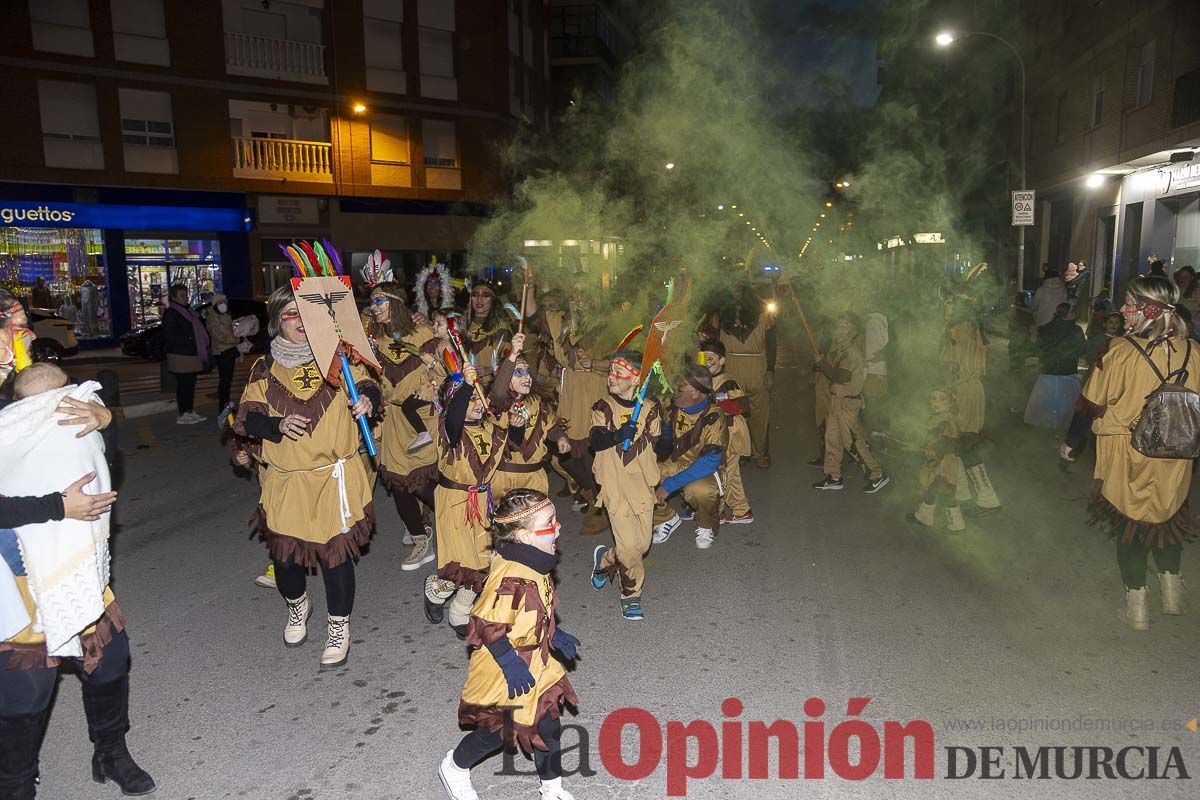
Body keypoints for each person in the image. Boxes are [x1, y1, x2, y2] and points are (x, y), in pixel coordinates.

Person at [0, 364, 155, 798]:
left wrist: (105, 421)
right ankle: (14, 782)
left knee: (109, 659)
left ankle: (110, 753)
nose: (20, 336)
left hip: (77, 565)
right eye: (9, 326)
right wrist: (58, 507)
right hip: (16, 578)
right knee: (25, 690)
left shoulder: (48, 392)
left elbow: (103, 453)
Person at [233, 285, 380, 668]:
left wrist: (368, 401)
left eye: (304, 314)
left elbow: (368, 386)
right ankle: (298, 606)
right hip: (286, 480)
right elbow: (246, 419)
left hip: (334, 477)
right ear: (276, 322)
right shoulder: (264, 368)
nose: (298, 323)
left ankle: (338, 626)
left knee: (336, 558)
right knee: (286, 563)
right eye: (289, 315)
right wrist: (276, 423)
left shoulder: (340, 357)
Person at [1062, 275, 1195, 630]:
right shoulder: (1195, 351)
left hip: (1127, 453)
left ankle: (1137, 606)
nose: (1122, 310)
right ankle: (1172, 593)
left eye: (1130, 303)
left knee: (1132, 525)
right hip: (1176, 453)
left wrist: (1072, 443)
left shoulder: (1119, 351)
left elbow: (1090, 404)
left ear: (1149, 310)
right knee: (1166, 518)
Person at [437, 488, 579, 800]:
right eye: (551, 522)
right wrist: (511, 663)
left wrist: (554, 634)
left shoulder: (537, 563)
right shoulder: (509, 579)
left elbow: (537, 610)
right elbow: (487, 625)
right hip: (504, 666)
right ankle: (455, 767)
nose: (559, 527)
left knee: (548, 724)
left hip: (535, 661)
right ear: (526, 536)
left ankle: (551, 789)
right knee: (495, 733)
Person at [423, 361, 523, 637]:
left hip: (482, 502)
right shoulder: (447, 427)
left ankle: (459, 612)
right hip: (455, 502)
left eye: (480, 397)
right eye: (471, 399)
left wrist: (517, 427)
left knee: (481, 560)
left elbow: (510, 445)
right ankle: (436, 589)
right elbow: (454, 418)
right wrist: (467, 385)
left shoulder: (489, 428)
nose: (478, 403)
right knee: (459, 563)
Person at [367, 281, 442, 571]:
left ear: (395, 304)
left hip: (422, 417)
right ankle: (420, 538)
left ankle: (462, 517)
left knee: (422, 482)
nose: (374, 308)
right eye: (372, 303)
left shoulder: (423, 332)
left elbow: (445, 369)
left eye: (379, 302)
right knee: (397, 483)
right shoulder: (372, 337)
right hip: (392, 418)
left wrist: (430, 385)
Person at [587, 350, 664, 621]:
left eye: (619, 374)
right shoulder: (603, 407)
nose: (611, 377)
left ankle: (606, 560)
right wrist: (618, 435)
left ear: (635, 380)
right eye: (610, 372)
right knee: (630, 546)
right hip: (615, 485)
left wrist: (665, 431)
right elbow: (595, 442)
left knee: (641, 545)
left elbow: (662, 448)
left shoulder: (651, 408)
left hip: (642, 486)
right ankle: (630, 595)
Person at [650, 364, 729, 549]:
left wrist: (669, 485)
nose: (677, 387)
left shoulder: (714, 417)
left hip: (706, 469)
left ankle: (705, 525)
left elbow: (709, 462)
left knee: (699, 491)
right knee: (642, 475)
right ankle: (666, 518)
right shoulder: (675, 405)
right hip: (677, 463)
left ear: (694, 393)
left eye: (682, 385)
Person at [812, 315, 890, 493]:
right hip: (836, 401)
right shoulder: (842, 351)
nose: (840, 332)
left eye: (845, 328)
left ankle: (877, 474)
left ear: (853, 332)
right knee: (832, 439)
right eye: (838, 328)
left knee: (852, 443)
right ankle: (833, 476)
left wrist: (822, 364)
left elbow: (841, 376)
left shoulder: (852, 353)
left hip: (846, 404)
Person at [490, 333, 571, 497]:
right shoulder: (496, 404)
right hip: (505, 480)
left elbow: (551, 426)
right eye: (518, 373)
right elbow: (498, 390)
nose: (526, 376)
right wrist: (513, 354)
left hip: (535, 477)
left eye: (527, 372)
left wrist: (561, 437)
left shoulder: (537, 402)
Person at [943, 292, 1001, 514]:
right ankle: (962, 492)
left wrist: (946, 393)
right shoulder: (971, 327)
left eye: (949, 305)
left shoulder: (957, 330)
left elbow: (952, 367)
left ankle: (988, 497)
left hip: (963, 391)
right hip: (973, 389)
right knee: (956, 441)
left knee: (964, 443)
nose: (945, 309)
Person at [713, 283, 776, 468]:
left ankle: (760, 453)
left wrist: (771, 369)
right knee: (731, 413)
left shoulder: (764, 315)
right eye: (733, 290)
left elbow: (772, 343)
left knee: (760, 415)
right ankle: (737, 452)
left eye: (739, 290)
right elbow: (714, 345)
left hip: (757, 369)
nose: (736, 294)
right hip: (731, 370)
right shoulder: (720, 317)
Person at [698, 341, 753, 525]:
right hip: (717, 435)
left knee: (725, 474)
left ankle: (730, 511)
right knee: (727, 474)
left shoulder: (728, 383)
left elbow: (743, 405)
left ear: (722, 361)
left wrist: (716, 403)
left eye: (711, 358)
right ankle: (732, 511)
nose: (707, 362)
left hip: (731, 434)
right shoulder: (703, 382)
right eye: (703, 358)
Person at [907, 387, 965, 533]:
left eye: (942, 398)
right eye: (933, 398)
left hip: (945, 461)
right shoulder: (937, 417)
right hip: (938, 460)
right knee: (933, 488)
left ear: (951, 402)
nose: (936, 402)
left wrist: (935, 450)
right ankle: (925, 517)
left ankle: (957, 525)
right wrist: (924, 446)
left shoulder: (947, 419)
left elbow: (949, 440)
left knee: (945, 490)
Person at [1024, 302, 1086, 430]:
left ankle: (1043, 433)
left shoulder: (1045, 328)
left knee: (1044, 407)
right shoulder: (1076, 330)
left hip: (1047, 373)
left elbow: (1037, 348)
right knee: (1065, 408)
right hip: (1067, 373)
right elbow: (1082, 350)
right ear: (1070, 315)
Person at [162, 283, 210, 425]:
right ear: (174, 297)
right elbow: (169, 335)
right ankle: (183, 413)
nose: (185, 297)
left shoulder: (188, 311)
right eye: (182, 295)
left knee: (190, 384)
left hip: (191, 354)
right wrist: (189, 340)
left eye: (186, 294)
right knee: (184, 385)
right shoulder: (172, 312)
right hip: (181, 355)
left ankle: (189, 411)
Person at [464, 279, 513, 385]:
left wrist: (490, 370)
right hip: (466, 384)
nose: (479, 299)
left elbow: (510, 359)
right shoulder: (462, 323)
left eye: (485, 295)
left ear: (493, 300)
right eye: (475, 295)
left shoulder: (501, 326)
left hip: (490, 386)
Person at [206, 293, 240, 421]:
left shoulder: (225, 316)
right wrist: (237, 340)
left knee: (227, 381)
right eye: (220, 303)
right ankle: (223, 407)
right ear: (215, 305)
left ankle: (226, 405)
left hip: (229, 351)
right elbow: (220, 336)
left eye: (224, 302)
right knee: (224, 381)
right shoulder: (213, 318)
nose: (223, 305)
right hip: (222, 352)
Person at [1030, 268, 1067, 340]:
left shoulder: (1041, 289)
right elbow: (1064, 303)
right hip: (1057, 322)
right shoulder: (1063, 289)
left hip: (1042, 321)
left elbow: (1034, 305)